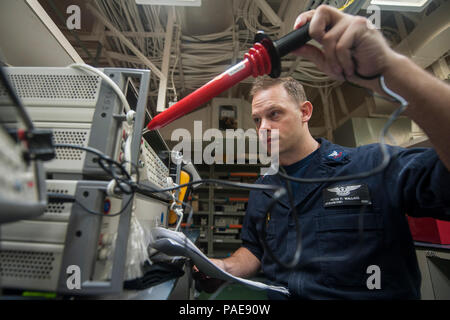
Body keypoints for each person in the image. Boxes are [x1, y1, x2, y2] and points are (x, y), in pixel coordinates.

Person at [193, 5, 450, 299]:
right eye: (257, 119)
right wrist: (223, 266)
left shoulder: (373, 166)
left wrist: (391, 69)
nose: (263, 127)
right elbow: (254, 250)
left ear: (305, 112)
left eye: (274, 114)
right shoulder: (264, 189)